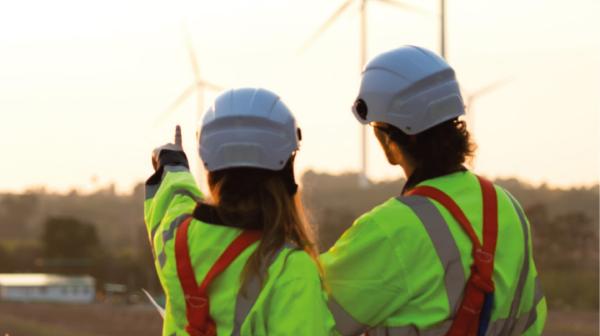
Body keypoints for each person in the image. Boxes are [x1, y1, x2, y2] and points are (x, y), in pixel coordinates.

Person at [321, 46, 547, 336]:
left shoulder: (389, 230)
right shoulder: (508, 208)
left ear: (387, 136)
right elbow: (531, 317)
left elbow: (306, 319)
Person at [144, 88, 336, 336]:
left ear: (208, 165)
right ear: (287, 170)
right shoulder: (289, 268)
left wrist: (171, 162)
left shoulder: (175, 237)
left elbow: (172, 197)